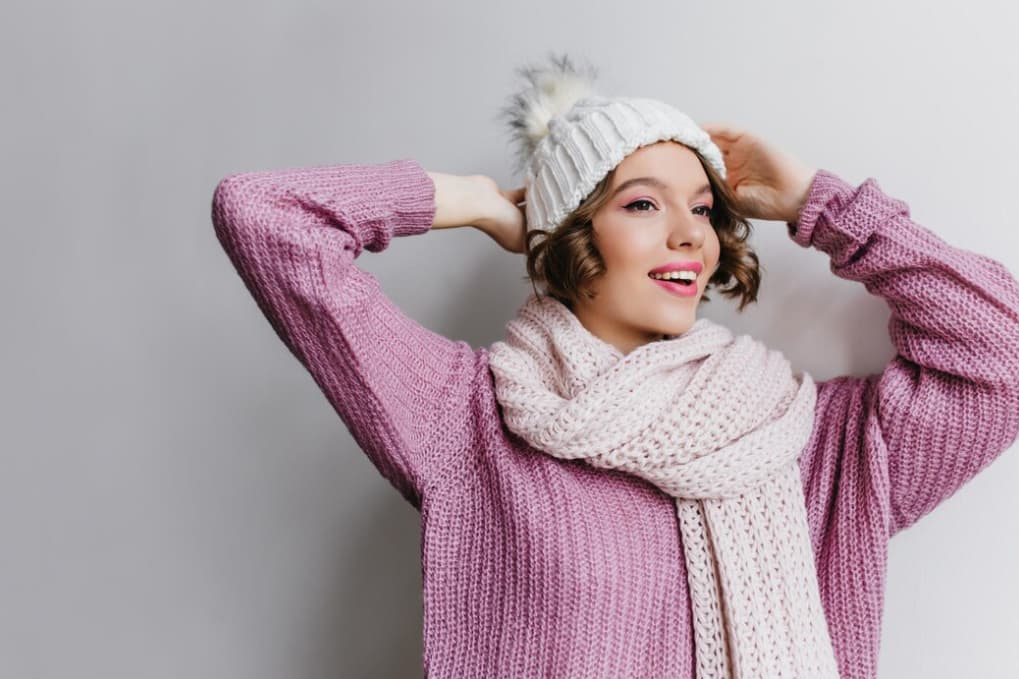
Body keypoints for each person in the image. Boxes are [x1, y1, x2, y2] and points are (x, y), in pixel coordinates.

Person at [210, 52, 1019, 678]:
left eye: (703, 209)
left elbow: (999, 352)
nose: (688, 235)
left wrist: (823, 204)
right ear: (569, 232)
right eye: (641, 203)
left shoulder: (809, 445)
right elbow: (266, 217)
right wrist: (477, 203)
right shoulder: (466, 419)